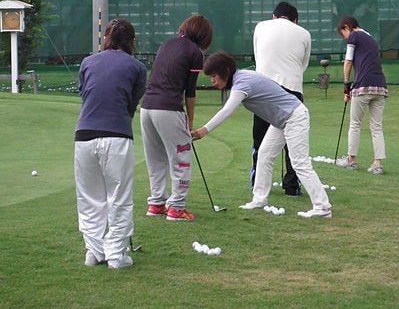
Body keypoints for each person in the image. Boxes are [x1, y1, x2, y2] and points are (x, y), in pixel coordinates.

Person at [191, 51, 332, 218]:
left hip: (294, 117)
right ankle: (259, 199)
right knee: (264, 155)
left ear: (226, 71)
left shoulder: (242, 83)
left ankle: (322, 207)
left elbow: (227, 110)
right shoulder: (241, 78)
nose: (212, 81)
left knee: (299, 163)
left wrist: (203, 131)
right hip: (283, 120)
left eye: (214, 75)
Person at [74, 18, 147, 269]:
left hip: (84, 135)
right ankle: (116, 255)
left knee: (90, 198)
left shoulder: (87, 62)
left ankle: (94, 252)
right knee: (119, 197)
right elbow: (130, 104)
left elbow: (86, 93)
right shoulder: (137, 67)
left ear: (106, 38)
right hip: (117, 136)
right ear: (132, 41)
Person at [140, 15, 213, 221]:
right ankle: (177, 208)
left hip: (146, 108)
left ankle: (156, 204)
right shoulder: (195, 53)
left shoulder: (166, 44)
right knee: (180, 159)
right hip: (169, 109)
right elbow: (190, 91)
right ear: (204, 35)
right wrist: (190, 119)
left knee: (156, 159)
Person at [251, 1, 311, 196]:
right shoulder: (304, 33)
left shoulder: (260, 27)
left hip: (264, 90)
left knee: (260, 139)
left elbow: (258, 57)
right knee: (292, 141)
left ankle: (257, 183)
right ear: (295, 20)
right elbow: (303, 64)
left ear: (274, 16)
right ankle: (292, 186)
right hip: (292, 90)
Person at [335, 16, 388, 174]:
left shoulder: (354, 36)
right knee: (376, 126)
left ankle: (351, 160)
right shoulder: (371, 38)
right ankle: (377, 164)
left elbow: (348, 61)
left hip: (363, 86)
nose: (345, 38)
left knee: (355, 124)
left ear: (347, 27)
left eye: (343, 33)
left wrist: (346, 86)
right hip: (380, 86)